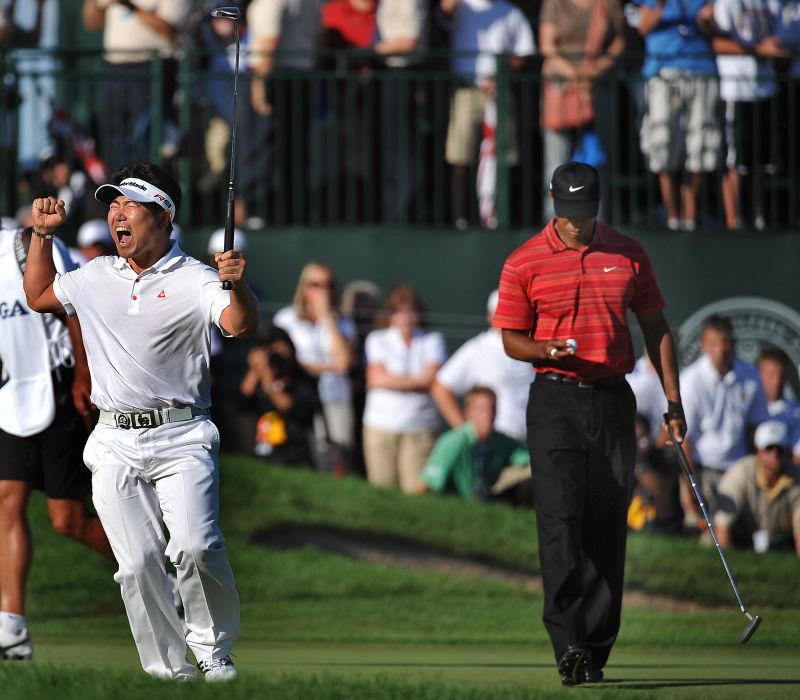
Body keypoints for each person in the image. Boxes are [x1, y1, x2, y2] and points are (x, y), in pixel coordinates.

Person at [22, 162, 260, 681]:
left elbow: (239, 324)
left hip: (183, 436)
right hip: (113, 439)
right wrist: (41, 237)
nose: (116, 215)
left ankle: (213, 650)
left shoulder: (197, 278)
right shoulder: (96, 275)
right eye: (112, 205)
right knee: (136, 564)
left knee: (198, 545)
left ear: (163, 218)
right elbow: (40, 297)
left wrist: (236, 287)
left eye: (129, 205)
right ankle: (168, 671)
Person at [493, 161, 684, 686]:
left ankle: (594, 651)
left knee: (605, 526)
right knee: (559, 521)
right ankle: (569, 644)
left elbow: (656, 327)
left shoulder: (628, 254)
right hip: (554, 399)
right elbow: (511, 338)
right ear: (554, 203)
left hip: (612, 400)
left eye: (586, 212)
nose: (577, 224)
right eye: (569, 213)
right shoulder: (524, 261)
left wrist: (673, 401)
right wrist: (543, 348)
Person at [0, 224, 114, 661]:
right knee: (7, 502)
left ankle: (158, 573)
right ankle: (11, 626)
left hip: (59, 391)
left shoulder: (29, 242)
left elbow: (75, 309)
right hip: (12, 398)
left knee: (68, 521)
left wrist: (85, 376)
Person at [438, 0, 535, 229]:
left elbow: (523, 53)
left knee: (502, 154)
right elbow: (443, 17)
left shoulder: (511, 12)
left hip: (499, 91)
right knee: (460, 155)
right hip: (466, 89)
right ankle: (460, 217)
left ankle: (497, 216)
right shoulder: (461, 7)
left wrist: (501, 72)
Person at [539, 0, 627, 222]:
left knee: (598, 160)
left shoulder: (607, 4)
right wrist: (578, 76)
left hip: (598, 90)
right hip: (561, 89)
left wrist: (596, 69)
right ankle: (555, 225)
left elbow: (619, 41)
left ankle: (598, 225)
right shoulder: (555, 4)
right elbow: (547, 46)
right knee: (556, 163)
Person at [636, 0, 720, 231]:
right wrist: (661, 6)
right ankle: (672, 217)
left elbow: (716, 33)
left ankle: (690, 218)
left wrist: (707, 22)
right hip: (663, 73)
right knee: (664, 146)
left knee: (699, 147)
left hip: (702, 71)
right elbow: (642, 28)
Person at [680, 315, 770, 520]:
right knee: (704, 530)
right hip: (703, 467)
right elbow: (685, 438)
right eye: (713, 342)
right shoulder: (690, 381)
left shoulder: (750, 376)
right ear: (703, 344)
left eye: (725, 342)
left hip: (740, 467)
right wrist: (691, 486)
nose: (720, 349)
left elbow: (756, 429)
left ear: (733, 343)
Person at [82, 0, 191, 168]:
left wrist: (128, 5)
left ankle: (145, 191)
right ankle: (115, 190)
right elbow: (91, 23)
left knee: (145, 141)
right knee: (110, 140)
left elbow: (168, 29)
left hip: (153, 69)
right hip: (113, 69)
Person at [362, 284, 446, 493]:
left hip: (421, 428)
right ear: (391, 315)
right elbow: (375, 377)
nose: (406, 317)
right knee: (381, 490)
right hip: (380, 427)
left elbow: (430, 379)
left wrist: (391, 380)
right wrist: (416, 381)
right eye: (400, 312)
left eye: (411, 311)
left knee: (415, 492)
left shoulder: (433, 340)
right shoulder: (377, 339)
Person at [711, 0, 785, 231]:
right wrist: (757, 50)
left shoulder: (774, 3)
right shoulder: (727, 2)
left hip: (765, 89)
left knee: (762, 161)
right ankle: (734, 221)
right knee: (736, 161)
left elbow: (780, 38)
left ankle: (759, 218)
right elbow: (717, 42)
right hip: (736, 91)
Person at [274, 262, 355, 471]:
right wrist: (327, 367)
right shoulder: (286, 318)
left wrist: (327, 318)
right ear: (304, 287)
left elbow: (344, 362)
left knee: (338, 455)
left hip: (334, 397)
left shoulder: (343, 321)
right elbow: (283, 363)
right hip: (299, 397)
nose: (323, 290)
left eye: (328, 285)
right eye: (315, 285)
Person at [431, 289, 532, 442]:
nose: (505, 317)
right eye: (499, 312)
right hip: (494, 444)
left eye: (510, 311)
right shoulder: (477, 349)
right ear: (490, 316)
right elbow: (441, 388)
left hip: (531, 439)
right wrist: (466, 431)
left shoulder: (531, 345)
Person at [420, 385, 530, 501]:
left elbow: (528, 458)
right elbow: (430, 484)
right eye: (481, 409)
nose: (488, 414)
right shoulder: (454, 442)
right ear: (468, 413)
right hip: (457, 504)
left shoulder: (501, 441)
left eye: (492, 408)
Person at [239, 325, 322, 467]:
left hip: (296, 453)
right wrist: (255, 369)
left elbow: (292, 407)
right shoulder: (261, 374)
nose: (274, 355)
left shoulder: (301, 377)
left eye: (280, 348)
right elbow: (242, 403)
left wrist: (267, 378)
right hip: (264, 449)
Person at [714, 420, 800, 556]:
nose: (775, 454)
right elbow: (722, 525)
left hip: (780, 545)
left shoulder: (797, 478)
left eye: (780, 448)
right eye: (769, 448)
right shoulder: (739, 473)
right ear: (758, 450)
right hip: (739, 540)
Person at [756, 347, 800, 461]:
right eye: (771, 375)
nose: (776, 381)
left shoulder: (796, 414)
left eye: (781, 375)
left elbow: (797, 458)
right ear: (759, 374)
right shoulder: (746, 408)